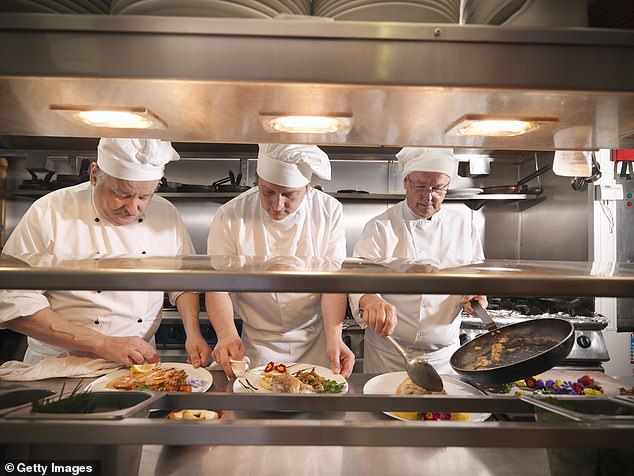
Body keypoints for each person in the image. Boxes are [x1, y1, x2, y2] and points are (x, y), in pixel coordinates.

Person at [0, 138, 212, 368]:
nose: (132, 208)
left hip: (137, 364)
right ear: (94, 174)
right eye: (122, 193)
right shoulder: (49, 212)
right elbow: (12, 301)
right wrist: (102, 344)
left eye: (144, 197)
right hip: (62, 365)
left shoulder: (166, 214)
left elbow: (183, 281)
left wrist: (193, 333)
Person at [205, 143, 354, 378]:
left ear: (307, 187)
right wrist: (226, 334)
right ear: (257, 180)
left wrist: (335, 338)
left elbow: (332, 284)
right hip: (256, 344)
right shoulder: (231, 214)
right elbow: (217, 285)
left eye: (289, 195)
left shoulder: (328, 212)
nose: (277, 205)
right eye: (268, 192)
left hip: (315, 341)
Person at [349, 147, 487, 374]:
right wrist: (370, 299)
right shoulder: (380, 227)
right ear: (406, 183)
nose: (428, 195)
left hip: (444, 358)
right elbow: (357, 280)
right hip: (389, 355)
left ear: (447, 186)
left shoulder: (464, 227)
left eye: (438, 188)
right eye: (421, 186)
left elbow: (477, 278)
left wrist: (475, 295)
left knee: (443, 410)